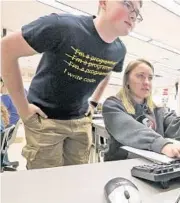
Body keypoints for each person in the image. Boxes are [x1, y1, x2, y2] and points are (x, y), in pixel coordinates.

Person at [1, 0, 143, 169]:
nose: (133, 15)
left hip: (80, 122)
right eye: (127, 4)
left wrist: (94, 102)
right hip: (45, 120)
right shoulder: (63, 27)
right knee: (47, 184)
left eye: (137, 12)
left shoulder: (119, 50)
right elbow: (5, 48)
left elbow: (107, 72)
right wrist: (23, 109)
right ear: (103, 2)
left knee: (75, 179)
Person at [102, 59, 180, 161]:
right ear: (127, 80)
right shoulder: (112, 105)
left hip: (150, 167)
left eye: (150, 78)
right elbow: (129, 129)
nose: (146, 82)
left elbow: (178, 126)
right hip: (120, 167)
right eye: (140, 76)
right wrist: (163, 145)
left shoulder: (157, 110)